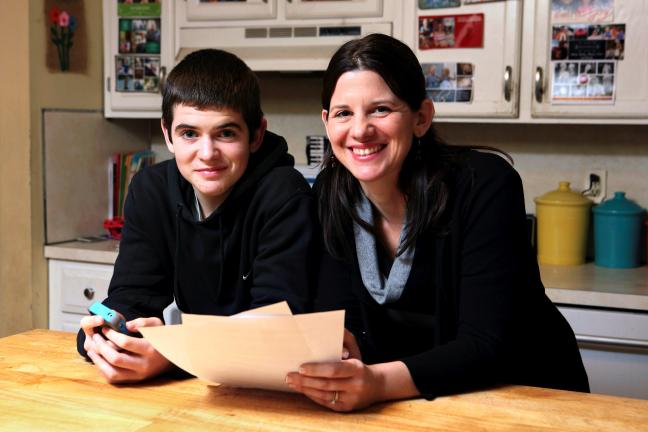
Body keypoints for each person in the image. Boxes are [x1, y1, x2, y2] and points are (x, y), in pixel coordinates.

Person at [285, 33, 589, 412]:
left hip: (528, 398)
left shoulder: (485, 185)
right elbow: (340, 319)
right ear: (327, 123)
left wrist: (377, 382)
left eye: (380, 109)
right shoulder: (333, 190)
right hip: (420, 403)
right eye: (344, 113)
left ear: (421, 118)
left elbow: (487, 344)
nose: (360, 130)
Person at [77, 49, 319, 383]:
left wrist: (173, 355)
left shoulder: (285, 195)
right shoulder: (152, 190)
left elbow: (276, 332)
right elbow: (131, 297)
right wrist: (108, 333)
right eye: (189, 133)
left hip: (275, 391)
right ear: (168, 135)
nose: (207, 154)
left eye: (226, 133)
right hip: (198, 388)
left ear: (256, 135)